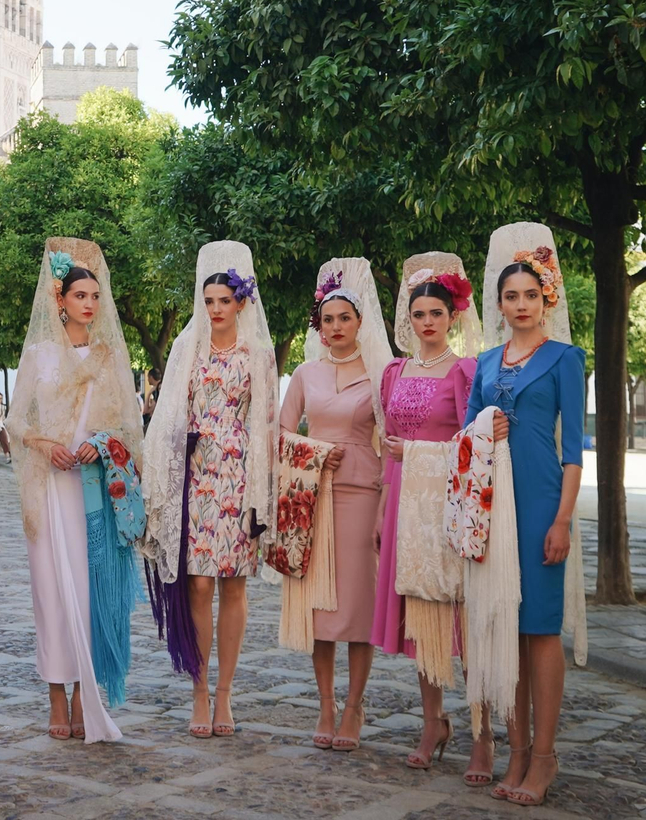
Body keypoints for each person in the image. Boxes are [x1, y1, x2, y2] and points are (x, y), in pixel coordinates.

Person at [466, 224, 587, 808]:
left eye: (530, 297)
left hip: (541, 502)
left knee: (539, 628)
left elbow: (574, 451)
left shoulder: (567, 359)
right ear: (499, 303)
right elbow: (465, 436)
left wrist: (562, 520)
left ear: (547, 300)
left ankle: (545, 755)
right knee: (504, 628)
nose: (520, 305)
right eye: (510, 297)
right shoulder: (485, 362)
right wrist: (486, 429)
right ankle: (513, 753)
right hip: (492, 505)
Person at [8, 238, 146, 744]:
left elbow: (129, 427)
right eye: (80, 294)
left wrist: (101, 444)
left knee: (89, 595)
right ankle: (56, 697)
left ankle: (88, 695)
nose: (90, 303)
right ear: (60, 299)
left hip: (92, 489)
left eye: (96, 295)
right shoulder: (40, 355)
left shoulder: (110, 359)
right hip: (50, 490)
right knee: (51, 593)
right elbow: (17, 423)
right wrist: (44, 445)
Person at [142, 242, 276, 739]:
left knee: (233, 585)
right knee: (197, 582)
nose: (216, 309)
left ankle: (225, 694)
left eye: (225, 300)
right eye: (209, 301)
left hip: (239, 477)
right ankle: (199, 689)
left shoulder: (260, 356)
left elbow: (266, 427)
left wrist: (261, 492)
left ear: (241, 302)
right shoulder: (187, 348)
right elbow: (167, 415)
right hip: (195, 476)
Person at [373, 253, 495, 783]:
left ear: (452, 318)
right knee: (423, 619)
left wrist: (420, 457)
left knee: (464, 624)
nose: (427, 322)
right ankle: (432, 723)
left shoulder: (466, 371)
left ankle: (484, 736)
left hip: (449, 500)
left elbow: (475, 445)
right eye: (419, 313)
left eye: (436, 314)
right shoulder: (394, 372)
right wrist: (382, 508)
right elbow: (387, 449)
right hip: (402, 501)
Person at [278, 256, 389, 753]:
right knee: (322, 609)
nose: (337, 327)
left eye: (345, 318)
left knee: (358, 609)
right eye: (328, 320)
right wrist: (316, 451)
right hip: (313, 498)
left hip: (363, 494)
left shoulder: (384, 376)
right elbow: (278, 433)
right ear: (318, 327)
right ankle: (325, 704)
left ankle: (354, 705)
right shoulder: (305, 373)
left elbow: (391, 439)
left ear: (360, 323)